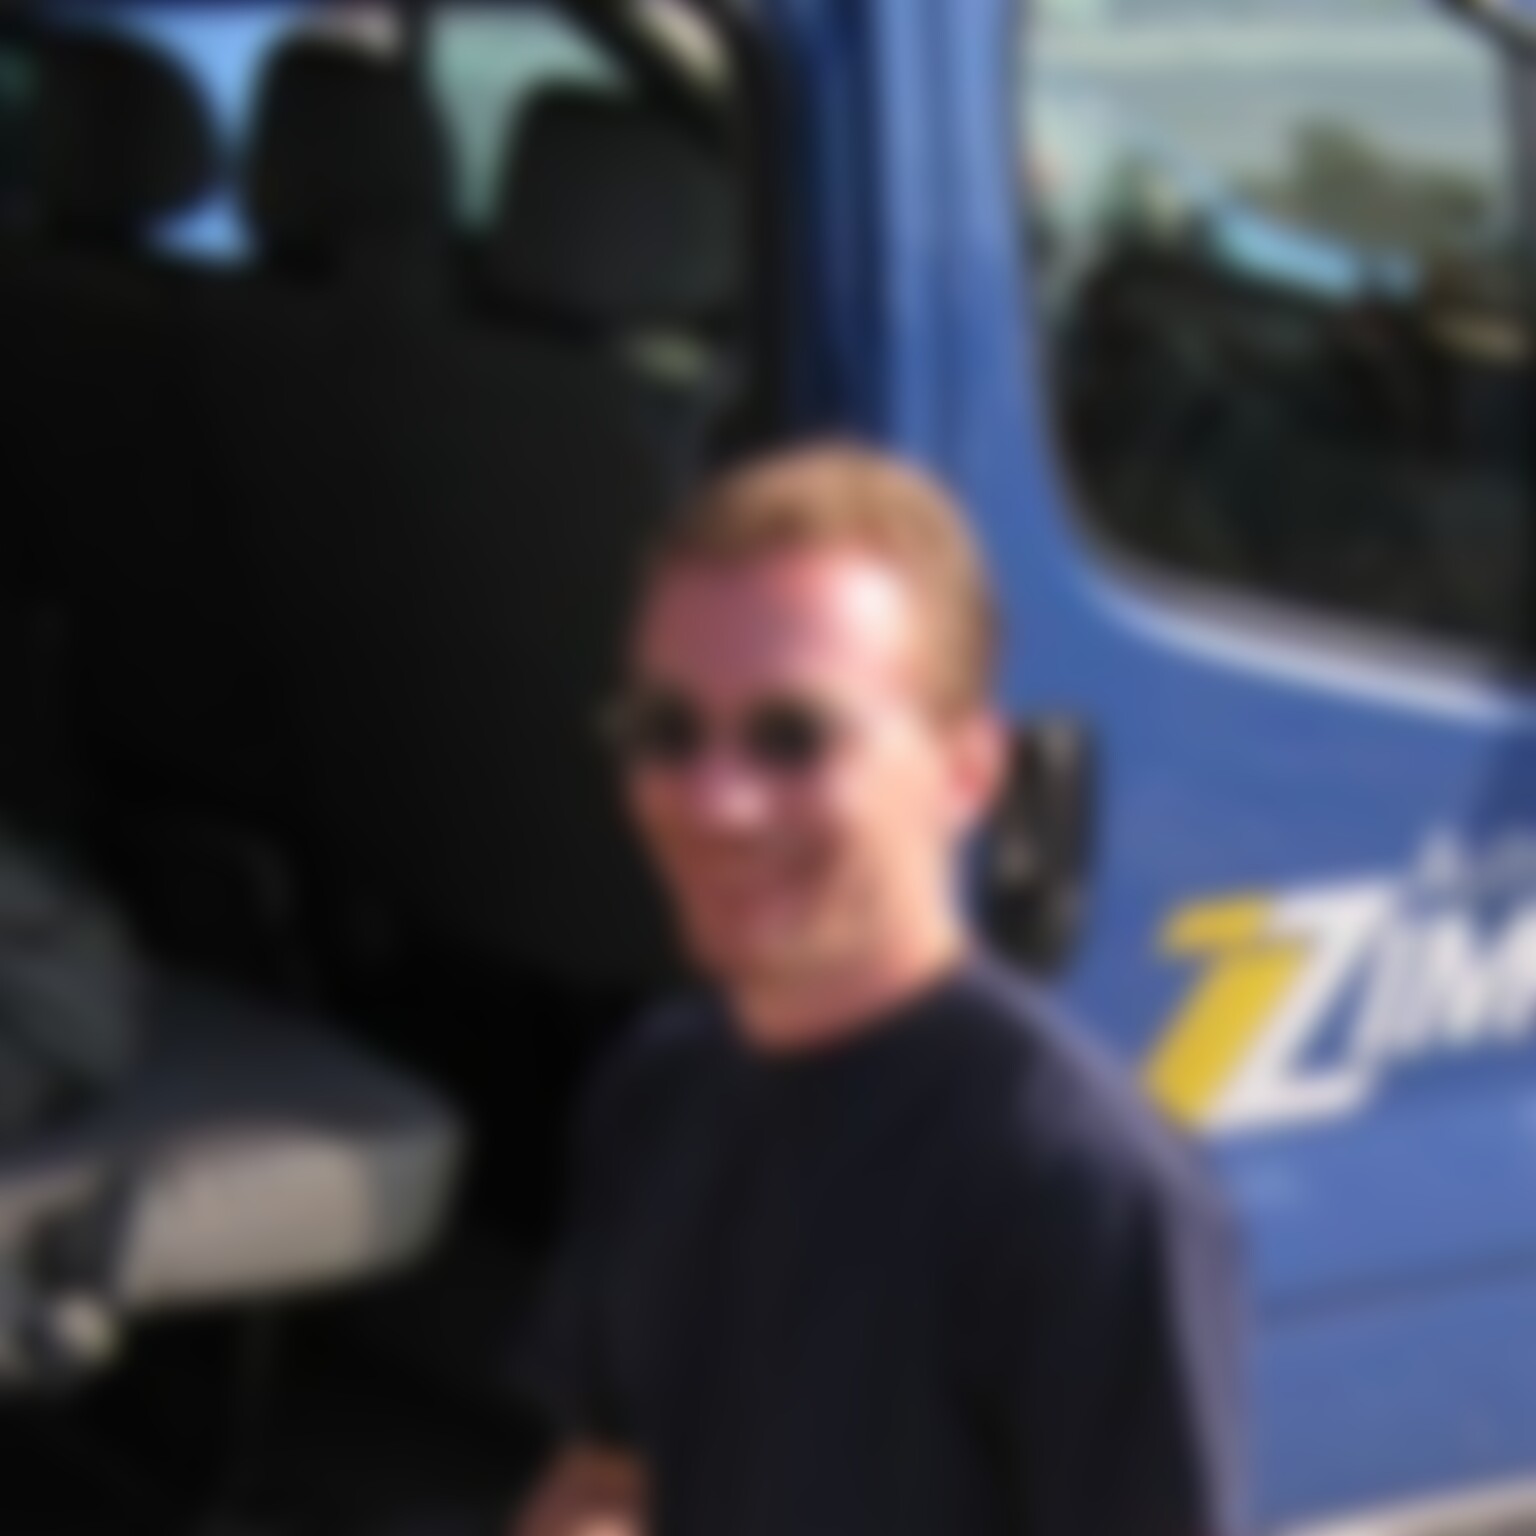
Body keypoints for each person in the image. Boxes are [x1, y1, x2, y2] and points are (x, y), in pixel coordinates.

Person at [511, 442, 1246, 1536]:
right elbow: (607, 1478)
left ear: (967, 772)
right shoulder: (659, 1088)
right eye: (669, 732)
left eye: (793, 737)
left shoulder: (1080, 1188)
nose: (715, 802)